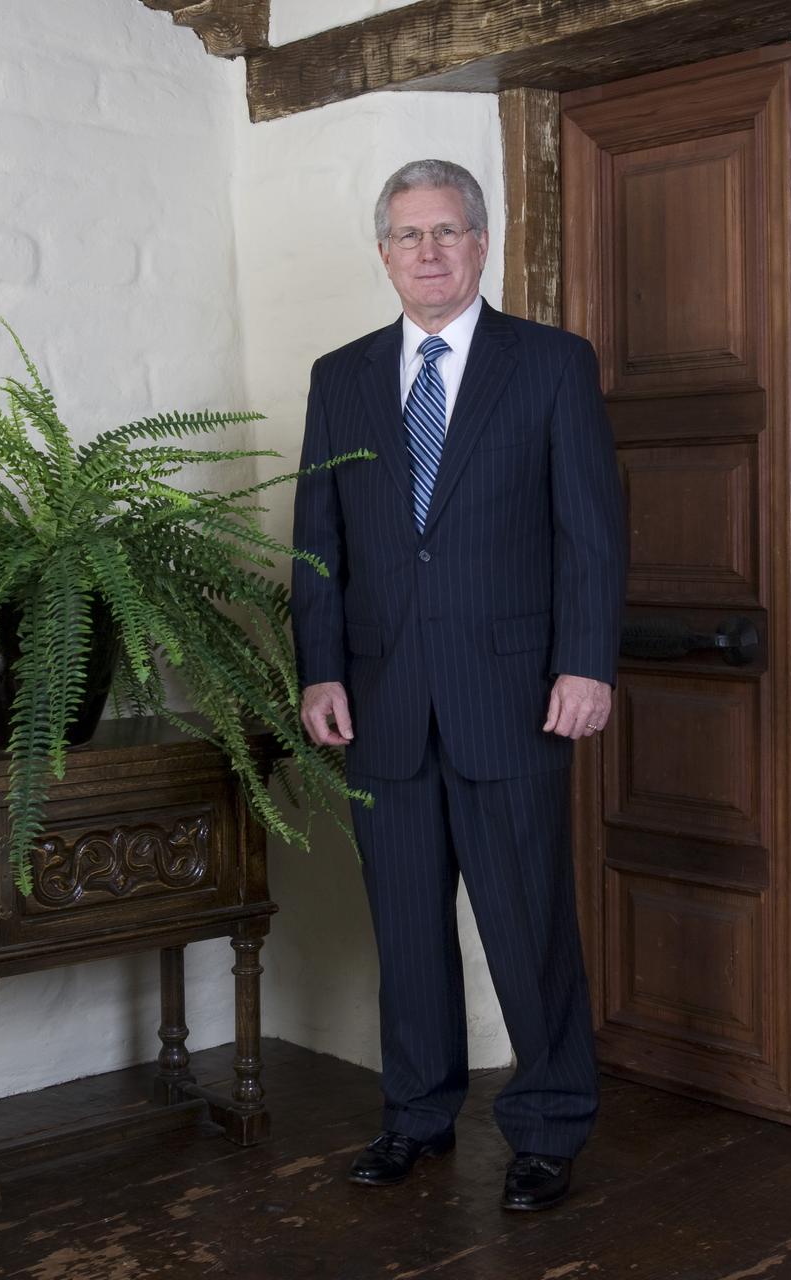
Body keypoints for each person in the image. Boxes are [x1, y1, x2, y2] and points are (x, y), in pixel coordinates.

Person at [291, 158, 626, 1212]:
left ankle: (548, 1124)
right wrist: (321, 670)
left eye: (446, 231)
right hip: (382, 701)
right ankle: (416, 1116)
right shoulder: (339, 375)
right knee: (406, 926)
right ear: (383, 252)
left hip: (514, 697)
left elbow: (591, 531)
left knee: (528, 927)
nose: (427, 251)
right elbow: (317, 544)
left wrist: (585, 661)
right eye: (406, 234)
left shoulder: (551, 363)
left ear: (481, 244)